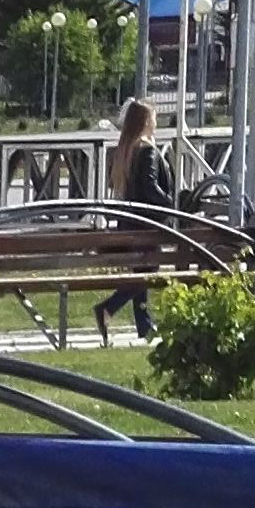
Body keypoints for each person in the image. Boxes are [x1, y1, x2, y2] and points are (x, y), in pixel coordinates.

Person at [89, 93, 166, 343]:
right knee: (147, 271)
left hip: (131, 223)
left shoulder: (128, 150)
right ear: (146, 122)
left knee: (141, 272)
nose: (156, 122)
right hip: (146, 224)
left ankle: (144, 326)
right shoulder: (147, 151)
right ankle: (108, 308)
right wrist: (170, 204)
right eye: (154, 118)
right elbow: (150, 187)